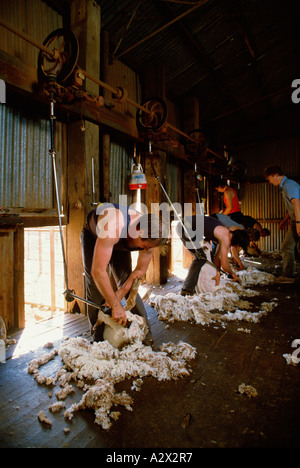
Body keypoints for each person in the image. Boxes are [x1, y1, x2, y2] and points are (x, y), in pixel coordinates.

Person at [81, 203, 169, 341]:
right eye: (145, 246)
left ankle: (146, 336)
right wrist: (116, 306)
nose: (146, 250)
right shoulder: (113, 225)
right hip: (94, 235)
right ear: (140, 231)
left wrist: (119, 294)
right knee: (95, 286)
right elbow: (98, 271)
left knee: (127, 281)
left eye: (149, 248)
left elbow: (139, 271)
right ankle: (98, 340)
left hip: (121, 241)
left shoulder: (152, 238)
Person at [177, 215, 250, 296]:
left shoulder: (226, 234)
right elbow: (225, 265)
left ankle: (193, 285)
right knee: (200, 257)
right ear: (238, 241)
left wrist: (217, 273)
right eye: (238, 245)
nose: (236, 247)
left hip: (191, 228)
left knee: (203, 256)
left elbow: (217, 258)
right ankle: (186, 289)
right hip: (184, 227)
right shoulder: (225, 238)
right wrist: (232, 274)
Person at [264, 166, 300, 283]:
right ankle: (288, 275)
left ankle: (290, 275)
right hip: (295, 220)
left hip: (298, 220)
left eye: (269, 179)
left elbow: (297, 204)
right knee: (287, 246)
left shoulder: (289, 184)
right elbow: (291, 207)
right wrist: (284, 221)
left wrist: (298, 224)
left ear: (275, 175)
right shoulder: (284, 186)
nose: (269, 182)